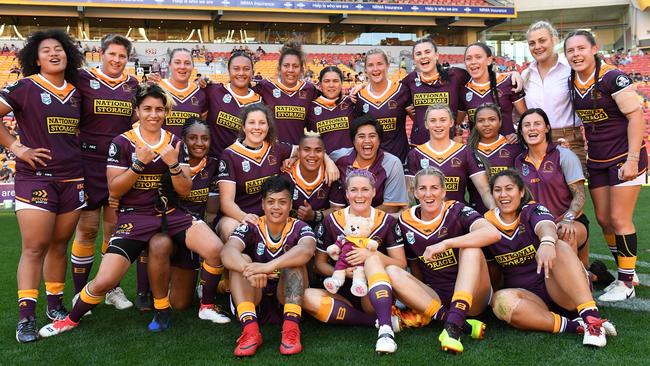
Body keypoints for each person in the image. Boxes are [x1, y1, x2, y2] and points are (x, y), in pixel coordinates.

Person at [37, 84, 223, 337]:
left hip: (172, 214)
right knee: (105, 280)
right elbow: (114, 190)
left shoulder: (175, 143)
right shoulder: (122, 142)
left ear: (166, 112)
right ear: (137, 110)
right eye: (147, 109)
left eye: (159, 109)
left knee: (214, 249)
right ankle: (70, 319)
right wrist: (138, 164)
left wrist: (173, 165)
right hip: (135, 216)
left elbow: (185, 190)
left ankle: (206, 305)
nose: (153, 114)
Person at [0, 29, 84, 343]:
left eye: (59, 49)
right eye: (46, 50)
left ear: (68, 55)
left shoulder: (78, 92)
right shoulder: (24, 87)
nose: (53, 53)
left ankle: (55, 305)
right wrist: (17, 148)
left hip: (73, 177)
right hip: (36, 178)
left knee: (60, 245)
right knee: (34, 247)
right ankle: (25, 318)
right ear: (35, 58)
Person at [484, 170, 616, 348]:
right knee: (501, 301)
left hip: (561, 288)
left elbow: (545, 225)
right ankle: (577, 326)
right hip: (531, 298)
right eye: (498, 190)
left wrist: (546, 241)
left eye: (509, 188)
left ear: (521, 192)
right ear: (492, 194)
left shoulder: (532, 209)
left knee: (558, 246)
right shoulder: (487, 223)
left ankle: (592, 319)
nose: (504, 195)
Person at [565, 30, 646, 301]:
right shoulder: (572, 80)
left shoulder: (612, 77)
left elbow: (636, 117)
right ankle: (628, 271)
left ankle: (626, 284)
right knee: (603, 219)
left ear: (594, 49)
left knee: (619, 219)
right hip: (598, 158)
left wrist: (632, 159)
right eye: (570, 50)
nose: (576, 54)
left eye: (581, 48)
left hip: (624, 156)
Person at [387, 167, 499, 353]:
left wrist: (447, 244)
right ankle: (456, 322)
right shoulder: (405, 221)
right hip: (437, 297)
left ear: (444, 191)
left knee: (470, 248)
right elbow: (415, 265)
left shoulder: (456, 209)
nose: (428, 194)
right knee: (392, 271)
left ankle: (453, 326)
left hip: (474, 297)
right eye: (422, 188)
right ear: (415, 192)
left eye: (434, 188)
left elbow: (492, 233)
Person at [302, 169, 406, 354]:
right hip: (341, 289)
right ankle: (376, 323)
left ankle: (384, 329)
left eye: (365, 189)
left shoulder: (387, 221)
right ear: (347, 193)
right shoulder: (332, 221)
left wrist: (371, 258)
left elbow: (400, 264)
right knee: (307, 297)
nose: (359, 195)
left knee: (372, 259)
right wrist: (344, 273)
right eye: (354, 190)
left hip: (372, 292)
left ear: (374, 192)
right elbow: (319, 264)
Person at [72, 34, 141, 312]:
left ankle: (110, 287)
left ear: (127, 59)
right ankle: (81, 294)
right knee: (87, 229)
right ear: (101, 53)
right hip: (88, 162)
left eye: (122, 56)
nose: (116, 60)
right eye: (112, 54)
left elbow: (136, 121)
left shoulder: (132, 85)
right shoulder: (82, 79)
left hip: (119, 164)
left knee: (113, 230)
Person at [220, 176, 317, 356]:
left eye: (282, 202)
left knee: (294, 263)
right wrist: (247, 269)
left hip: (287, 298)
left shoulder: (301, 227)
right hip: (254, 295)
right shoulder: (251, 226)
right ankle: (250, 331)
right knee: (241, 259)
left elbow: (307, 250)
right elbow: (227, 252)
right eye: (271, 202)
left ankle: (291, 330)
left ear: (290, 205)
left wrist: (267, 267)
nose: (276, 207)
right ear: (263, 204)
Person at [146, 117, 229, 323]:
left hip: (194, 235)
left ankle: (206, 285)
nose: (199, 143)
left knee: (181, 304)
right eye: (193, 138)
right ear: (182, 140)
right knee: (159, 244)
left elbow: (211, 211)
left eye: (205, 138)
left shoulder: (213, 166)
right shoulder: (168, 162)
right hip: (169, 231)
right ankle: (152, 298)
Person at [514, 108, 590, 267]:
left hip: (568, 221)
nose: (532, 128)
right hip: (536, 224)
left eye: (537, 124)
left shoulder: (564, 155)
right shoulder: (518, 162)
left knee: (565, 234)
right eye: (527, 125)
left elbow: (580, 196)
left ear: (547, 128)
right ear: (521, 131)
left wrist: (568, 219)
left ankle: (577, 282)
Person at [216, 104, 295, 241]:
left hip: (270, 216)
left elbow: (306, 150)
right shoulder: (230, 154)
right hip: (238, 216)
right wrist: (244, 217)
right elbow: (226, 203)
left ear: (268, 126)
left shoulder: (275, 148)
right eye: (251, 122)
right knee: (233, 231)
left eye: (262, 123)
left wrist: (292, 159)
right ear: (243, 127)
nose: (257, 127)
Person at [523, 21, 587, 169]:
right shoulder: (525, 74)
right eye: (532, 43)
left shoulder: (571, 69)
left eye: (542, 40)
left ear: (554, 40)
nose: (537, 46)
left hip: (568, 138)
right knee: (538, 191)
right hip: (535, 140)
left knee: (573, 190)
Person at [405, 104, 493, 210]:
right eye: (433, 120)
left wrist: (496, 211)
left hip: (459, 217)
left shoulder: (465, 152)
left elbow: (485, 190)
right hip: (428, 217)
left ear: (451, 122)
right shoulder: (415, 154)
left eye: (443, 120)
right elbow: (409, 196)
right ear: (426, 124)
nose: (438, 125)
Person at [330, 115, 408, 213]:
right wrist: (328, 161)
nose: (367, 141)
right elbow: (318, 155)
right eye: (361, 136)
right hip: (347, 219)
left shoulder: (392, 163)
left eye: (372, 136)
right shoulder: (339, 157)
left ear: (379, 140)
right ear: (353, 141)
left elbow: (392, 206)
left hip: (377, 219)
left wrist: (360, 215)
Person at [401, 38, 470, 145]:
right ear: (414, 59)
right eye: (418, 54)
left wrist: (456, 123)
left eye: (427, 52)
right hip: (420, 145)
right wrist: (407, 108)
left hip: (449, 144)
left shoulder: (456, 75)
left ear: (436, 55)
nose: (423, 56)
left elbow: (468, 100)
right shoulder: (409, 80)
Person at [253, 41, 318, 145]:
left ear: (301, 69)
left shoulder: (310, 89)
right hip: (271, 152)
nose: (290, 70)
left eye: (295, 66)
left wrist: (353, 91)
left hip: (297, 153)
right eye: (286, 65)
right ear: (279, 68)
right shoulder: (265, 86)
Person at [459, 42, 527, 137]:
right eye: (468, 58)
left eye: (478, 57)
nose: (473, 61)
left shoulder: (508, 82)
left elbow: (526, 117)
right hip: (477, 149)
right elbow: (456, 123)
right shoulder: (463, 90)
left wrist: (518, 134)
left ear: (489, 60)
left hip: (508, 148)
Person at [204, 51, 263, 159]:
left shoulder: (260, 101)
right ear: (229, 71)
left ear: (252, 72)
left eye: (246, 69)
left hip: (245, 165)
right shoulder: (214, 91)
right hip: (215, 164)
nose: (241, 73)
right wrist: (200, 81)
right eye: (236, 68)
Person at [355, 49, 411, 162]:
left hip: (399, 161)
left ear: (387, 65)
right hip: (372, 164)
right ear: (365, 69)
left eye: (379, 64)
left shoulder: (402, 91)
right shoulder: (359, 97)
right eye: (370, 65)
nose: (375, 69)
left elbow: (418, 118)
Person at [466, 103, 523, 214]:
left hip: (511, 214)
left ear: (500, 122)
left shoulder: (514, 147)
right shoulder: (467, 151)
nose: (486, 124)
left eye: (492, 119)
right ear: (475, 124)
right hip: (477, 214)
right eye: (481, 120)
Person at [281, 132, 345, 227]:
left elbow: (338, 210)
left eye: (318, 150)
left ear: (324, 153)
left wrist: (314, 215)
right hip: (291, 231)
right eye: (306, 150)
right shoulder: (286, 174)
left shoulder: (330, 174)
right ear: (298, 152)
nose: (312, 155)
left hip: (323, 231)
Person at [158, 48, 208, 136]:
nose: (182, 66)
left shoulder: (200, 93)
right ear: (169, 65)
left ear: (193, 67)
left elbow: (202, 125)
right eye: (177, 62)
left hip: (190, 149)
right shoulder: (158, 89)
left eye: (187, 63)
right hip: (162, 148)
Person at [305, 66, 355, 153]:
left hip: (350, 162)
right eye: (326, 81)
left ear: (341, 83)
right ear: (320, 84)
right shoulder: (311, 107)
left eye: (335, 81)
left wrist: (362, 85)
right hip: (324, 162)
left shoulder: (351, 102)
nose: (331, 85)